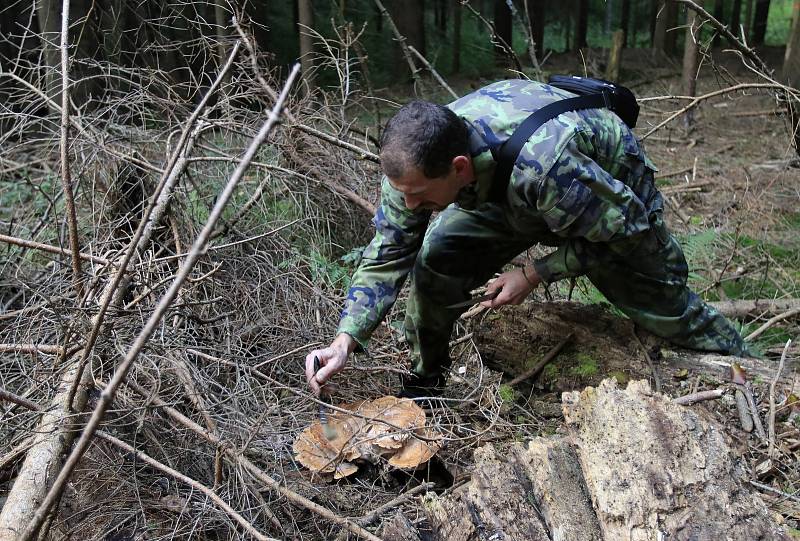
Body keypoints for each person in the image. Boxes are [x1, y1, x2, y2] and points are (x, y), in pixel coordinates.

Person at [304, 78, 747, 398]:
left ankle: (747, 366)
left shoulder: (548, 167)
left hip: (602, 194)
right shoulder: (411, 166)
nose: (411, 205)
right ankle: (428, 380)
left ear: (458, 168)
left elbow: (625, 231)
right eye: (405, 196)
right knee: (437, 258)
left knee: (663, 307)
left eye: (419, 197)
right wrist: (347, 338)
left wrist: (535, 273)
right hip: (507, 189)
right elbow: (388, 254)